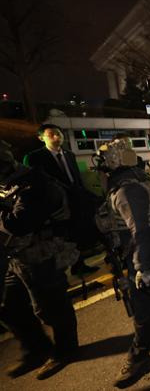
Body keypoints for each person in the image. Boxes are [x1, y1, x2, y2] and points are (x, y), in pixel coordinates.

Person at [94, 138, 150, 388]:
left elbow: (141, 231)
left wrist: (141, 268)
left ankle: (138, 355)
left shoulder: (127, 190)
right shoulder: (134, 182)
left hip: (142, 252)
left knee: (140, 309)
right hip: (145, 250)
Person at [0, 140, 79, 380]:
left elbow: (20, 223)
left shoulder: (33, 182)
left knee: (51, 306)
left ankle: (66, 350)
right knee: (8, 307)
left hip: (41, 253)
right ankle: (36, 349)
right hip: (16, 257)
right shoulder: (7, 184)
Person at [24, 123, 100, 275]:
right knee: (60, 237)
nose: (57, 137)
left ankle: (79, 264)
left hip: (75, 201)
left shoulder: (69, 154)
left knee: (76, 233)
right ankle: (59, 270)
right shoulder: (34, 158)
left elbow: (76, 178)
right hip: (56, 206)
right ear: (41, 138)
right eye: (51, 134)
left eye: (59, 133)